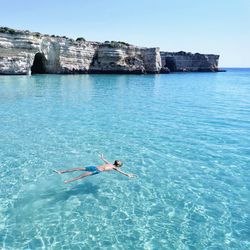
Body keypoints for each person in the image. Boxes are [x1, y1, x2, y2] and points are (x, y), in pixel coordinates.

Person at [54, 154, 136, 183]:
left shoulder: (115, 168)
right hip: (94, 167)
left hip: (96, 170)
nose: (119, 161)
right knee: (77, 168)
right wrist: (102, 157)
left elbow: (122, 172)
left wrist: (127, 175)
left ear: (118, 165)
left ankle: (68, 181)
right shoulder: (110, 163)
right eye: (119, 161)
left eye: (120, 162)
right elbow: (105, 160)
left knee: (81, 176)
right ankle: (61, 172)